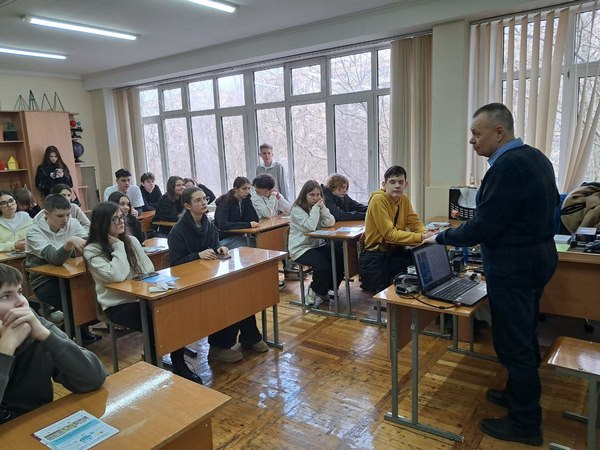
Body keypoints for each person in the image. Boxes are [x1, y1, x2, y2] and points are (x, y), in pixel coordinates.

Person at [424, 103, 558, 446]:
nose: (472, 141)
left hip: (515, 267)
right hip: (537, 259)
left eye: (476, 133)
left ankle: (525, 423)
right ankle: (516, 395)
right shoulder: (535, 157)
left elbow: (484, 225)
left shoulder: (506, 167)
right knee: (524, 332)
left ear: (499, 132)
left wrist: (440, 237)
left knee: (514, 344)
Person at [83, 202, 200, 384]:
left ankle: (178, 364)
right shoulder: (92, 250)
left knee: (172, 313)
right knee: (156, 322)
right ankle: (154, 367)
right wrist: (118, 247)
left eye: (121, 217)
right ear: (102, 223)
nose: (121, 221)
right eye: (115, 219)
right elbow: (116, 275)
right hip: (117, 305)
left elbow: (148, 269)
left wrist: (125, 246)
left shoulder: (132, 241)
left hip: (141, 298)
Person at [169, 186, 268, 363]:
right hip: (190, 284)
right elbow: (175, 265)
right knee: (227, 299)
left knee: (241, 292)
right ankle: (219, 347)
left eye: (204, 199)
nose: (203, 202)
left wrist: (220, 248)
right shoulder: (177, 231)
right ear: (187, 206)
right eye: (198, 200)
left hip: (209, 275)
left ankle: (249, 337)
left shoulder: (208, 224)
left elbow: (214, 245)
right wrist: (197, 255)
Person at [0, 263, 106, 424]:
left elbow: (93, 379)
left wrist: (46, 336)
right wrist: (6, 348)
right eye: (5, 296)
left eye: (20, 292)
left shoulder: (36, 326)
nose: (21, 302)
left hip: (34, 425)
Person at [24, 194, 99, 343]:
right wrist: (70, 242)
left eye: (68, 214)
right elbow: (54, 259)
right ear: (46, 214)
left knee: (90, 295)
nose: (65, 220)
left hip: (68, 275)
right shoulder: (34, 231)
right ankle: (68, 338)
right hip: (44, 281)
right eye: (59, 216)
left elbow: (89, 244)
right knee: (74, 303)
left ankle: (73, 333)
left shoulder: (73, 223)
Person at [358, 165, 435, 293]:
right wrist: (421, 237)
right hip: (376, 256)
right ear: (384, 184)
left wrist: (427, 234)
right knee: (389, 292)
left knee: (424, 267)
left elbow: (415, 223)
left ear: (406, 184)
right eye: (392, 182)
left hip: (395, 251)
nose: (397, 186)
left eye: (400, 182)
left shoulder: (404, 200)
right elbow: (390, 234)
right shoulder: (378, 200)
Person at [289, 180, 344, 306]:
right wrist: (315, 209)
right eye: (312, 195)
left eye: (318, 194)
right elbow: (310, 226)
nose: (315, 198)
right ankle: (314, 290)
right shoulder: (297, 209)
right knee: (323, 265)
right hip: (300, 248)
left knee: (339, 257)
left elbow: (330, 222)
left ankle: (324, 289)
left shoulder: (318, 207)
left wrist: (323, 208)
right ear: (304, 195)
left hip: (316, 245)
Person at [214, 176, 259, 248]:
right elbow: (222, 225)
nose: (247, 191)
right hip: (223, 239)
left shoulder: (244, 200)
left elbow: (254, 220)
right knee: (257, 244)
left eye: (249, 188)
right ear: (235, 189)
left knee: (260, 241)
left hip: (237, 236)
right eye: (244, 189)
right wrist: (248, 224)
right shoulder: (225, 202)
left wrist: (248, 201)